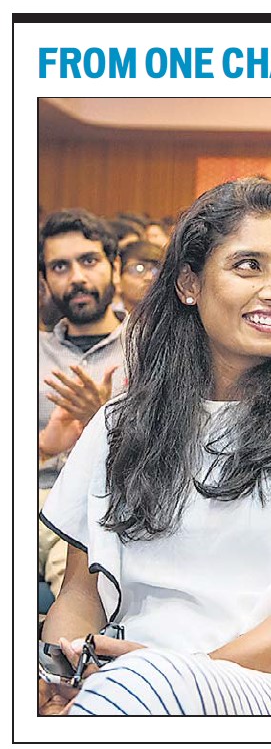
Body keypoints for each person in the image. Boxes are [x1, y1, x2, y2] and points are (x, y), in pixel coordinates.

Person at [38, 178, 271, 716]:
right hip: (127, 687)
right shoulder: (121, 423)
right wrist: (62, 672)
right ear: (189, 284)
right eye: (248, 266)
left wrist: (183, 674)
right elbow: (79, 592)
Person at [38, 209, 128, 600]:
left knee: (80, 556)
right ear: (45, 281)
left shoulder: (151, 350)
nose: (76, 277)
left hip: (108, 505)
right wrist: (44, 447)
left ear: (114, 267)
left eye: (88, 261)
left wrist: (103, 423)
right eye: (60, 267)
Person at [115, 239, 164, 316]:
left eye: (156, 270)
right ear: (118, 276)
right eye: (138, 269)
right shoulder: (108, 320)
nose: (149, 277)